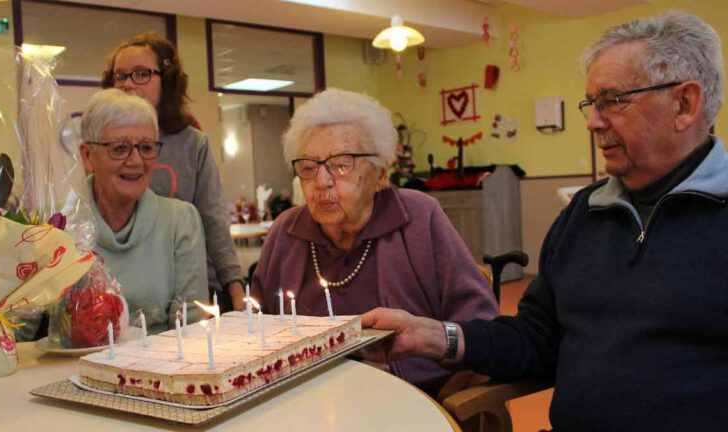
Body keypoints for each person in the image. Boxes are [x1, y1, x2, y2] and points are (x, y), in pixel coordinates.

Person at [361, 12, 728, 431]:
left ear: (684, 104)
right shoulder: (585, 211)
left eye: (613, 101)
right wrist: (431, 335)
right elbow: (535, 338)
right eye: (591, 103)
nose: (592, 121)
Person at [252, 88, 498, 396]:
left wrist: (407, 367)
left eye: (341, 164)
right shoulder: (285, 232)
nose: (321, 181)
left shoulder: (419, 218)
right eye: (308, 167)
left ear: (380, 174)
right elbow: (256, 328)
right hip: (302, 400)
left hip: (407, 400)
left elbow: (480, 322)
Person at [101, 32, 244, 310]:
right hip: (127, 294)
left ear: (166, 82)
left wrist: (235, 287)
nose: (128, 84)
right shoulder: (103, 143)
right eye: (120, 76)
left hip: (191, 288)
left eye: (141, 74)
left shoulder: (192, 143)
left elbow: (213, 220)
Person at [79, 88, 209, 334]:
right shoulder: (58, 226)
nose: (136, 161)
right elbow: (22, 326)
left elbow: (194, 330)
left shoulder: (180, 220)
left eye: (146, 148)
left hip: (163, 367)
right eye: (119, 148)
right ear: (88, 156)